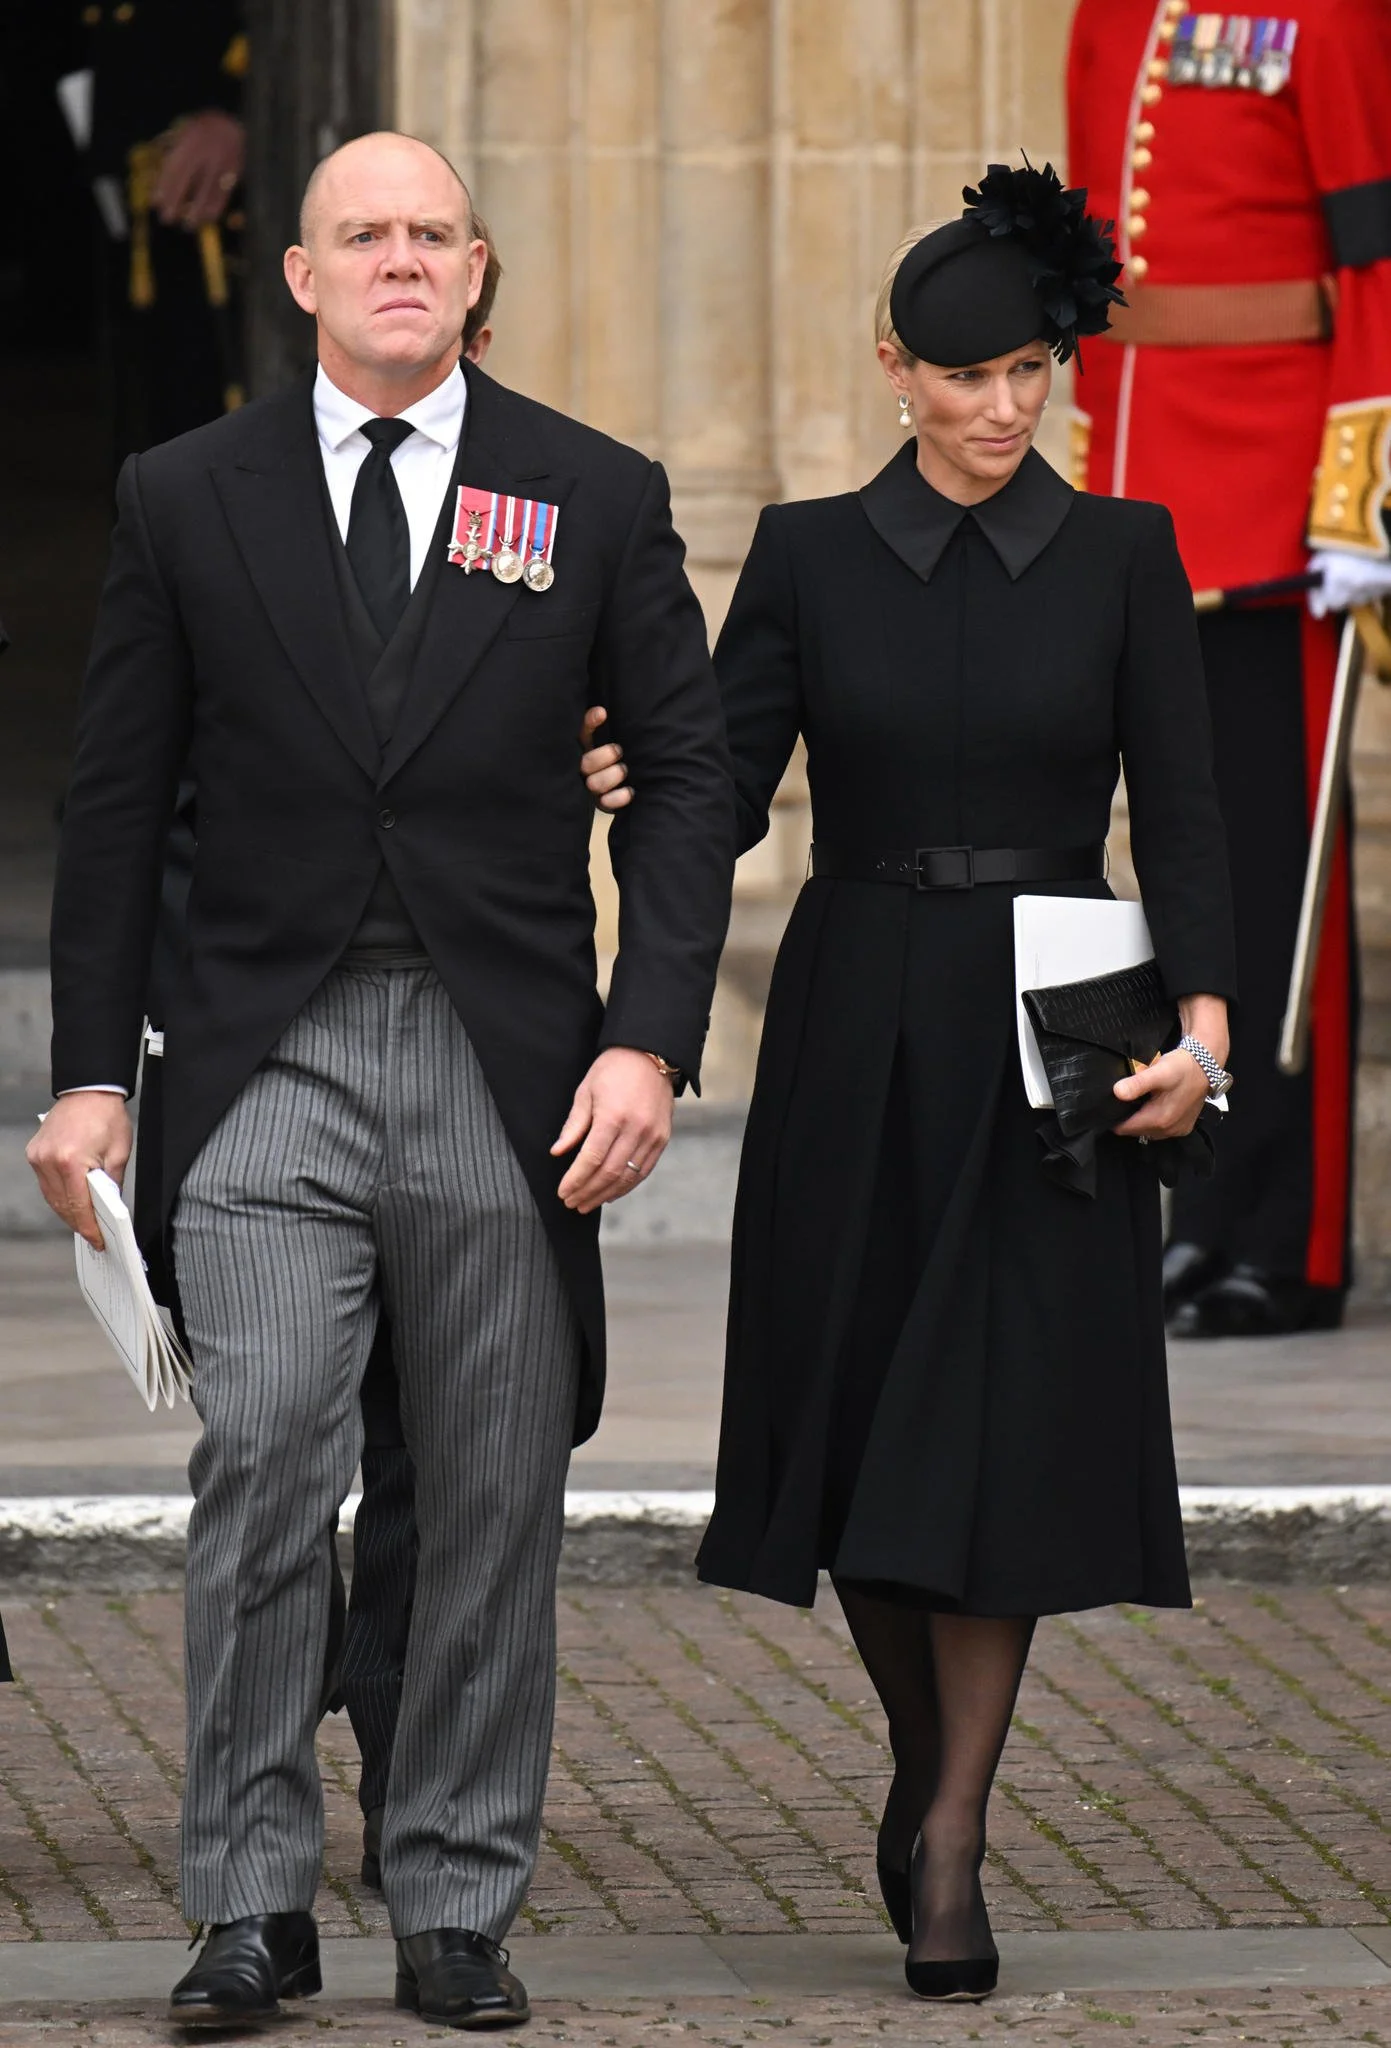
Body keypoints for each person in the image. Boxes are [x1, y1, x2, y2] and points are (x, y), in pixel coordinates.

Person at [29, 131, 734, 2030]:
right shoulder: (188, 495)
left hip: (507, 1066)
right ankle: (249, 1901)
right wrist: (92, 1073)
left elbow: (686, 781)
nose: (402, 262)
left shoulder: (591, 492)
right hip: (261, 1056)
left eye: (433, 235)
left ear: (479, 270)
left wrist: (648, 1033)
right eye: (366, 236)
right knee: (261, 1460)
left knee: (497, 1484)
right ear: (304, 277)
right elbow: (115, 807)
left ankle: (452, 1900)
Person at [682, 169, 1235, 2003]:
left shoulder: (1125, 553)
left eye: (1032, 369)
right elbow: (716, 778)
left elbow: (1188, 805)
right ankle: (924, 1761)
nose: (1004, 407)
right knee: (850, 1417)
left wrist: (1209, 1029)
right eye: (965, 373)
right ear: (890, 369)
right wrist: (613, 780)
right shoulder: (805, 556)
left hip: (1062, 1033)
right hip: (852, 1015)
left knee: (994, 1428)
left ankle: (951, 1835)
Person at [1067, 0, 1391, 1336]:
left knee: (1272, 875)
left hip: (1273, 494)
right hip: (1140, 485)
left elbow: (1372, 250)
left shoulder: (1332, 13)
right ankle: (1196, 1209)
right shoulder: (1110, 14)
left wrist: (1356, 481)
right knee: (1173, 876)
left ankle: (1291, 1237)